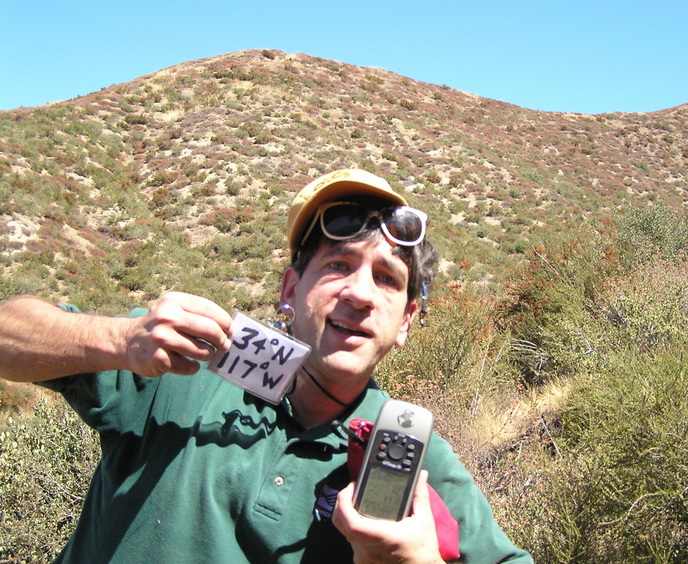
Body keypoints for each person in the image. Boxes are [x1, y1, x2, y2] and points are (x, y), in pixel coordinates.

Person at [0, 168, 532, 563]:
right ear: (290, 289)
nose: (360, 294)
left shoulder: (408, 449)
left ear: (408, 320)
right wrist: (117, 337)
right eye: (338, 265)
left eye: (388, 280)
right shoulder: (184, 363)